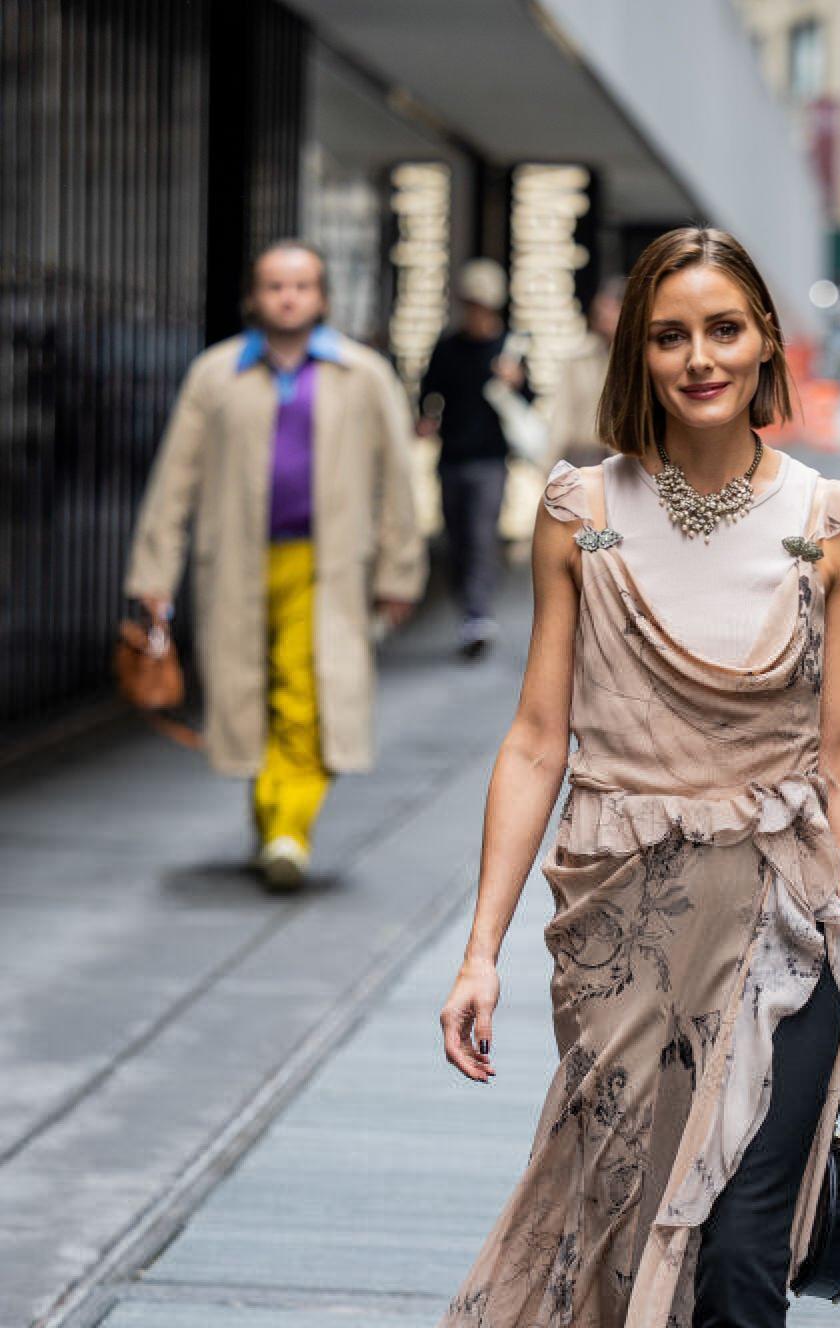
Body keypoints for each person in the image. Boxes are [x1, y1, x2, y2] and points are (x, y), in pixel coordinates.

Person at [381, 225, 840, 1328]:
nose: (701, 358)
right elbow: (538, 736)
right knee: (622, 1252)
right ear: (637, 355)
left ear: (766, 346)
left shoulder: (831, 523)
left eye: (726, 329)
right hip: (613, 933)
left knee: (738, 1259)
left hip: (787, 928)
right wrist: (474, 947)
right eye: (672, 335)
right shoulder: (577, 515)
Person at [126, 240, 424, 892]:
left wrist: (400, 571)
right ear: (254, 297)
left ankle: (290, 829)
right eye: (274, 285)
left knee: (311, 695)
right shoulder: (216, 373)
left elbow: (397, 479)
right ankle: (274, 827)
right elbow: (175, 477)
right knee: (248, 699)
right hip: (234, 565)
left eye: (301, 285)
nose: (288, 296)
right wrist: (154, 576)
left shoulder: (362, 374)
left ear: (321, 296)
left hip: (329, 567)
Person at [419, 259, 530, 661]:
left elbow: (528, 401)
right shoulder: (448, 347)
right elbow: (429, 391)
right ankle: (467, 605)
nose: (476, 312)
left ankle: (477, 614)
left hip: (491, 458)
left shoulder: (510, 349)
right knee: (457, 537)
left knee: (482, 534)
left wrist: (514, 383)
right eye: (471, 303)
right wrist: (426, 418)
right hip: (452, 457)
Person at [543, 278, 625, 471]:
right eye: (601, 309)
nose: (604, 315)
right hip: (582, 453)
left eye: (611, 308)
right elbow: (563, 412)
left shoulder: (639, 358)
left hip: (623, 455)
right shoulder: (579, 356)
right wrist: (549, 464)